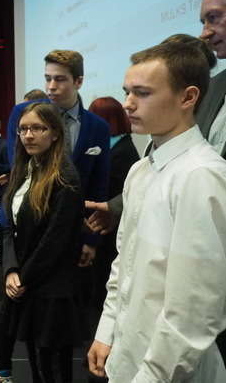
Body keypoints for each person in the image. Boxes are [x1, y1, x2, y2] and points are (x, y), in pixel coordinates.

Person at [87, 41, 226, 382]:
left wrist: (151, 376)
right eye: (127, 92)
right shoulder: (140, 171)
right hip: (128, 355)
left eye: (142, 93)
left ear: (187, 97)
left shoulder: (201, 175)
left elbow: (193, 312)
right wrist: (107, 331)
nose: (128, 103)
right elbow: (124, 263)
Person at [0, 103, 84, 383]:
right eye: (23, 129)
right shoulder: (24, 169)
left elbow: (55, 241)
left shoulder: (66, 178)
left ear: (55, 133)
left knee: (52, 371)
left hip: (52, 291)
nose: (29, 135)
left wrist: (23, 277)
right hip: (26, 282)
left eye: (38, 128)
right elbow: (9, 227)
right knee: (35, 367)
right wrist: (10, 270)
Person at [86, 97, 139, 341]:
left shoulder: (122, 151)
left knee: (104, 287)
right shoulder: (114, 146)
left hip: (109, 228)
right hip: (103, 225)